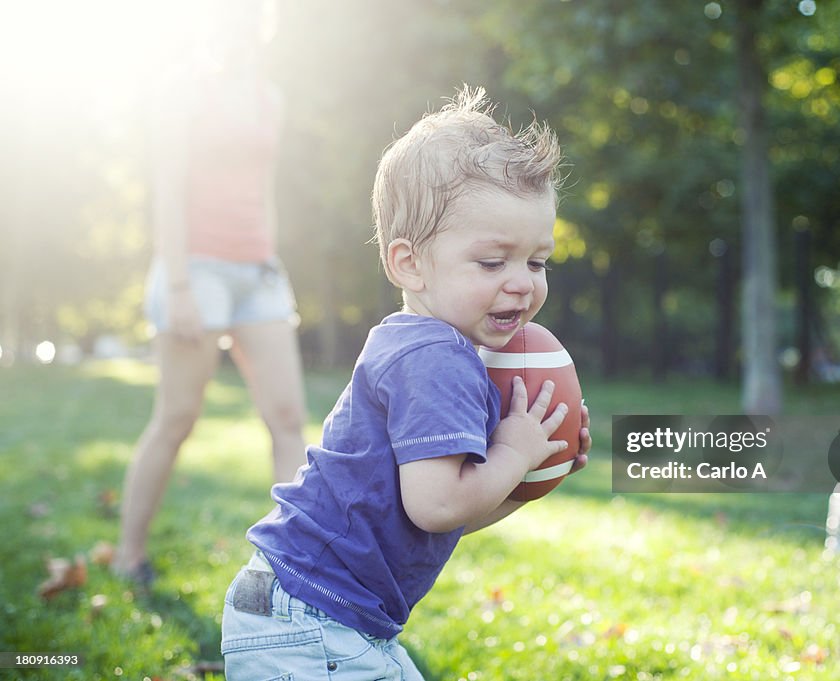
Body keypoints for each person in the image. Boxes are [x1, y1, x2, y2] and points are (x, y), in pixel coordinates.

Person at [220, 86, 591, 680]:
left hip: (312, 607)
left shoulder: (432, 347)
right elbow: (439, 506)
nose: (522, 282)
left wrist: (523, 480)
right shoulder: (434, 357)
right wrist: (513, 453)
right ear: (409, 263)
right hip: (310, 616)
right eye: (493, 262)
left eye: (537, 262)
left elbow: (437, 519)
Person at [113, 0, 307, 587]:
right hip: (195, 268)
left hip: (257, 273)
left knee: (288, 417)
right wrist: (177, 287)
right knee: (176, 418)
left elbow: (265, 188)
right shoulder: (182, 92)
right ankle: (128, 555)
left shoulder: (271, 98)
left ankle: (297, 565)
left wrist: (270, 256)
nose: (238, 29)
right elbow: (167, 189)